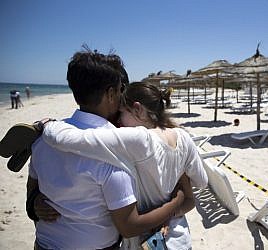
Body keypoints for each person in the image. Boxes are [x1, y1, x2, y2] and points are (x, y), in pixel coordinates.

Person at [27, 50, 186, 249]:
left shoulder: (43, 139)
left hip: (42, 244)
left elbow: (32, 185)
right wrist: (175, 204)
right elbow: (128, 226)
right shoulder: (115, 153)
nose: (123, 97)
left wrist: (33, 202)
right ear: (111, 94)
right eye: (121, 90)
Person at [39, 82, 208, 249]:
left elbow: (72, 140)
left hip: (145, 243)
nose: (119, 120)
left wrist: (46, 125)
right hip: (179, 239)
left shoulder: (140, 139)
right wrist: (174, 204)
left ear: (137, 109)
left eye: (122, 112)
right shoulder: (183, 137)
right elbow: (202, 182)